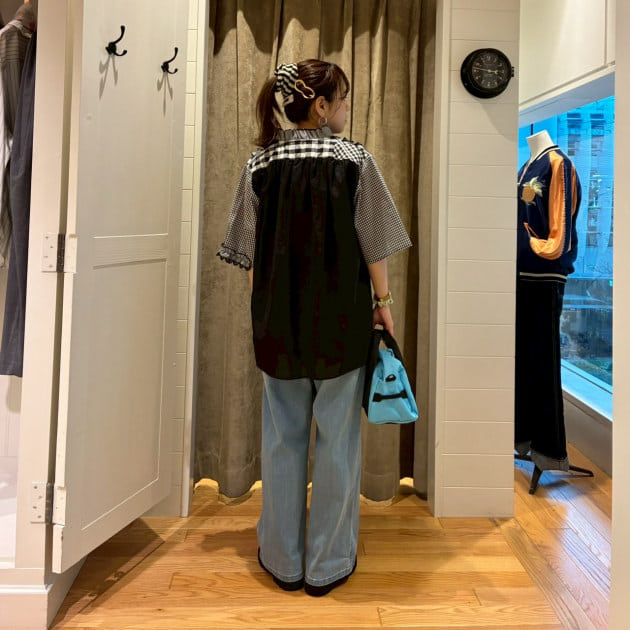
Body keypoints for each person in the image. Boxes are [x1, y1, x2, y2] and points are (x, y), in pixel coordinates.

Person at [217, 59, 411, 596]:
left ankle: (282, 560)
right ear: (321, 107)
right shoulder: (355, 160)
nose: (346, 108)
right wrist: (384, 303)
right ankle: (327, 564)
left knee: (282, 441)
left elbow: (249, 258)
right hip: (341, 324)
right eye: (342, 99)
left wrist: (267, 309)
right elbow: (375, 244)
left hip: (278, 324)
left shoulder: (259, 164)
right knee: (338, 443)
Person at [515, 130, 581, 475]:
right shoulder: (527, 165)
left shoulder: (558, 164)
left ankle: (550, 451)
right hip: (520, 276)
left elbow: (561, 236)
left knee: (543, 363)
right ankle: (524, 439)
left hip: (544, 277)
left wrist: (528, 246)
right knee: (523, 362)